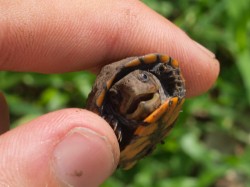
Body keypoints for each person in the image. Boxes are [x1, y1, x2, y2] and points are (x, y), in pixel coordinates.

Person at [0, 1, 219, 186]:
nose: (133, 90)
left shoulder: (163, 76)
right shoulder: (112, 121)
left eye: (143, 78)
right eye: (118, 95)